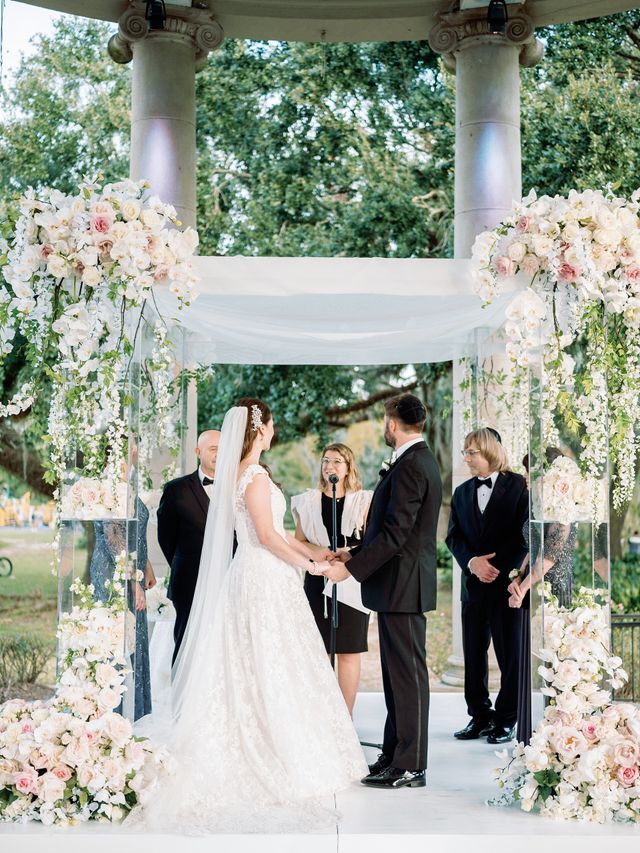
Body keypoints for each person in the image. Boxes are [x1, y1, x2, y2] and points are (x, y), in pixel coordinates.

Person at [132, 398, 367, 833]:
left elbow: (275, 535)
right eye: (272, 426)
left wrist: (314, 551)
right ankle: (271, 747)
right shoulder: (255, 475)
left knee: (258, 661)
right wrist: (311, 565)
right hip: (263, 577)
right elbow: (266, 538)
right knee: (270, 660)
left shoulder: (238, 474)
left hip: (255, 573)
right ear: (261, 430)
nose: (274, 432)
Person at [325, 394, 442, 790]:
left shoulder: (412, 465)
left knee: (408, 677)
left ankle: (411, 765)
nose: (384, 427)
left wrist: (350, 569)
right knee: (397, 677)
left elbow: (396, 534)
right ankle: (394, 754)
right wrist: (353, 550)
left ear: (393, 423)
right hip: (398, 586)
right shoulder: (412, 461)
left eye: (385, 421)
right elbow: (392, 530)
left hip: (404, 586)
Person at [446, 427, 528, 745]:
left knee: (510, 655)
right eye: (465, 452)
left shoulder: (519, 486)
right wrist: (472, 563)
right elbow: (454, 537)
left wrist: (501, 569)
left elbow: (525, 535)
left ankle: (507, 719)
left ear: (491, 451)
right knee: (474, 654)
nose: (466, 458)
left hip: (507, 587)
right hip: (474, 588)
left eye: (472, 452)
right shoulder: (461, 492)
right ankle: (479, 716)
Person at [291, 443, 372, 714]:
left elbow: (370, 542)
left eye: (337, 461)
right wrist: (320, 554)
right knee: (318, 650)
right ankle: (323, 718)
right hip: (317, 577)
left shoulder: (364, 501)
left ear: (348, 467)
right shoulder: (307, 501)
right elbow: (298, 540)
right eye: (326, 461)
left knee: (348, 650)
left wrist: (346, 555)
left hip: (351, 578)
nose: (330, 466)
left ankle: (345, 719)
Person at [507, 449, 577, 744]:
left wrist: (523, 588)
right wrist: (516, 576)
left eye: (528, 472)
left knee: (555, 664)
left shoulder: (564, 511)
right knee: (528, 659)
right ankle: (528, 734)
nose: (524, 478)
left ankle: (557, 735)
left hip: (554, 592)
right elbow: (532, 549)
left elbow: (548, 556)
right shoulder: (539, 507)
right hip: (532, 588)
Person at [91, 468, 156, 721]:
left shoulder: (126, 484)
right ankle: (111, 712)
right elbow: (115, 538)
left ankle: (129, 712)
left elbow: (134, 535)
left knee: (132, 635)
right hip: (113, 574)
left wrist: (146, 565)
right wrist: (132, 583)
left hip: (133, 569)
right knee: (117, 635)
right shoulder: (108, 488)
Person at [157, 429, 220, 663]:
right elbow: (166, 537)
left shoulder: (238, 487)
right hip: (188, 580)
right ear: (198, 452)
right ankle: (182, 696)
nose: (219, 454)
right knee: (186, 644)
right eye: (213, 449)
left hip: (228, 580)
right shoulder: (176, 489)